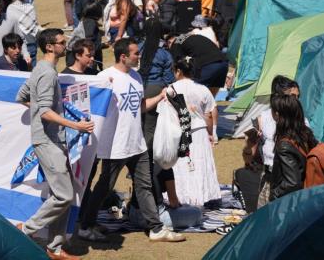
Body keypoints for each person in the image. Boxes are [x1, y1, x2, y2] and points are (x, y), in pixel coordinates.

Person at [79, 38, 185, 243]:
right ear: (123, 56)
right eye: (135, 53)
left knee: (144, 185)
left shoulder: (136, 76)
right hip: (115, 145)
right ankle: (85, 225)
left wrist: (161, 96)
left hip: (137, 144)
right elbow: (88, 104)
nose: (139, 57)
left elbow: (141, 105)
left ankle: (155, 228)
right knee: (104, 188)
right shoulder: (104, 77)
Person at [16, 28, 94, 260]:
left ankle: (56, 247)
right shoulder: (47, 74)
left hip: (52, 141)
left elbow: (21, 96)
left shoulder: (41, 68)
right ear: (50, 46)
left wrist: (39, 108)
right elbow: (45, 113)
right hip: (48, 142)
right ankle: (25, 230)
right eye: (61, 42)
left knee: (61, 194)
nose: (65, 45)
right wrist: (75, 126)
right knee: (64, 195)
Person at [169, 57, 221, 206]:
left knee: (181, 165)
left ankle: (182, 196)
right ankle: (202, 196)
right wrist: (212, 133)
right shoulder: (202, 88)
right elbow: (211, 112)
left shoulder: (171, 89)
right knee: (200, 164)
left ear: (178, 71)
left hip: (178, 131)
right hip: (199, 131)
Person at [255, 76, 303, 207]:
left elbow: (293, 179)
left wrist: (275, 193)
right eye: (292, 96)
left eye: (298, 97)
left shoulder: (301, 122)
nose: (296, 101)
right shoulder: (263, 118)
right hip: (268, 175)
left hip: (287, 182)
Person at [269, 94, 318, 201]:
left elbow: (292, 182)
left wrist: (274, 194)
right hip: (307, 195)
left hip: (289, 202)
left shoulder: (285, 145)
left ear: (277, 114)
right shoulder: (306, 134)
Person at [6, 0, 40, 67]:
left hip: (16, 45)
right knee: (33, 69)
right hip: (31, 42)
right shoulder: (30, 7)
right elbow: (35, 25)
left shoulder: (10, 8)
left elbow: (9, 28)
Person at [138, 18, 174, 87]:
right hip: (157, 87)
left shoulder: (137, 48)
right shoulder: (165, 53)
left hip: (138, 84)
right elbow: (168, 78)